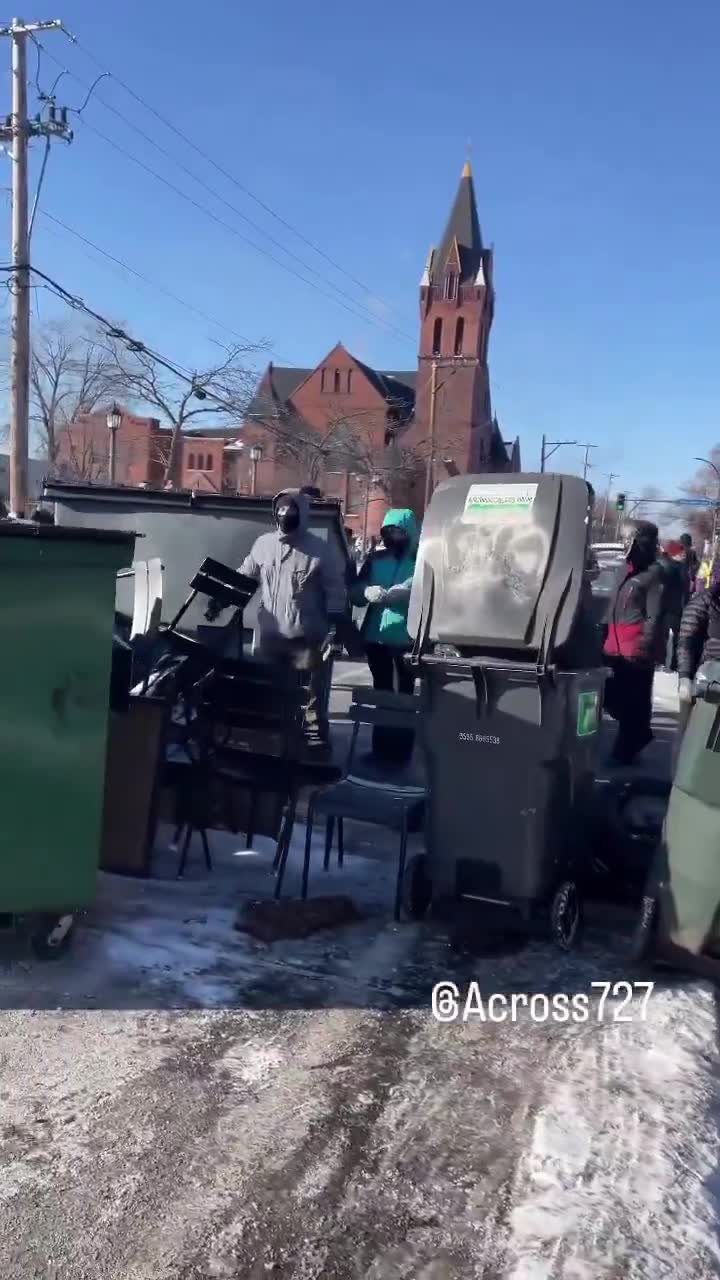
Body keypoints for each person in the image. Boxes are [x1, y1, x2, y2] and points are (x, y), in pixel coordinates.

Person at [237, 488, 347, 753]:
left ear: (302, 513)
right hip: (271, 633)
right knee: (271, 687)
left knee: (310, 692)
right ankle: (274, 736)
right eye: (282, 510)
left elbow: (335, 590)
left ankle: (314, 739)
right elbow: (246, 573)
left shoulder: (319, 550)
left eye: (291, 511)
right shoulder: (264, 544)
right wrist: (224, 591)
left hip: (306, 635)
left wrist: (335, 627)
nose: (286, 515)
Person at [350, 508, 419, 765]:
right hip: (376, 636)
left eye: (398, 531)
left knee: (404, 694)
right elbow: (355, 592)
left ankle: (402, 749)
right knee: (382, 690)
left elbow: (424, 586)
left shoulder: (422, 560)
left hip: (407, 637)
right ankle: (380, 747)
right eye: (388, 531)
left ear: (409, 532)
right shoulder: (375, 560)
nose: (392, 536)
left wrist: (407, 591)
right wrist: (365, 591)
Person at [603, 521, 666, 766]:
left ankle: (627, 748)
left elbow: (654, 615)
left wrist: (645, 646)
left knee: (633, 701)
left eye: (629, 540)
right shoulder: (625, 571)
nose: (625, 544)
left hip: (635, 649)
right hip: (613, 645)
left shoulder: (654, 574)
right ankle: (640, 734)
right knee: (611, 697)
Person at [658, 540, 687, 672]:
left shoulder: (679, 567)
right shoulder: (674, 568)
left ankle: (665, 663)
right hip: (672, 608)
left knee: (670, 638)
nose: (684, 553)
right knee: (670, 638)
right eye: (681, 551)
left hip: (673, 608)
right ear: (675, 553)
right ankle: (668, 663)